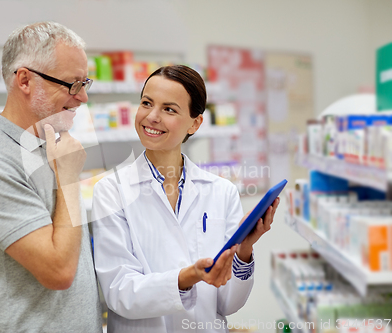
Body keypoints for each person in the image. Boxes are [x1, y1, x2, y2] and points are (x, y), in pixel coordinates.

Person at [92, 65, 280, 333]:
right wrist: (187, 277)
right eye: (147, 103)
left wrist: (244, 251)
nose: (152, 117)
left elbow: (227, 304)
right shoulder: (112, 190)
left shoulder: (221, 192)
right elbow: (120, 292)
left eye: (169, 109)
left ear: (195, 122)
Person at [0, 22, 102, 332]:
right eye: (73, 84)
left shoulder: (50, 148)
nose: (83, 97)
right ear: (25, 80)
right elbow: (58, 271)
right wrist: (68, 180)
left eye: (85, 82)